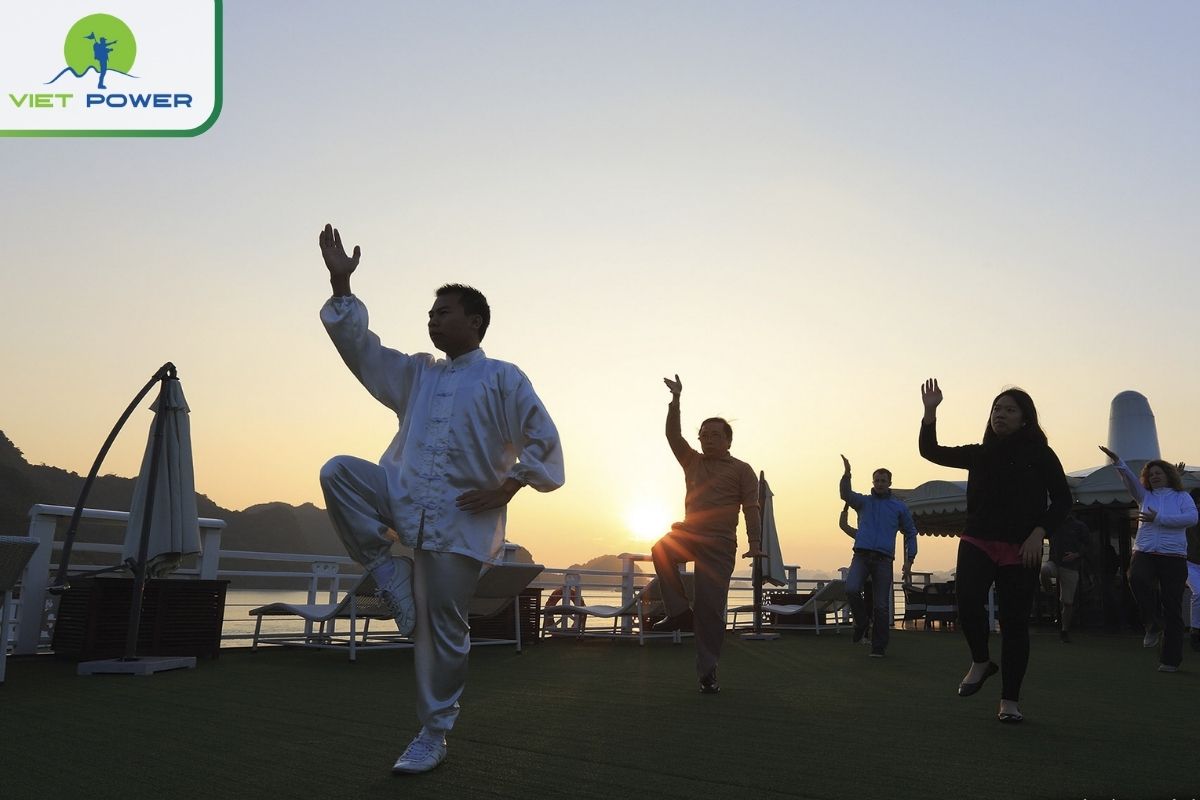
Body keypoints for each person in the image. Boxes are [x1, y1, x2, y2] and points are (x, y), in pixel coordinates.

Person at [316, 223, 565, 773]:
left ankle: (434, 731)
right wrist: (340, 285)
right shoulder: (418, 374)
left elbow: (545, 443)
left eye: (444, 311)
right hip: (400, 496)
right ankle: (387, 572)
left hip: (461, 523)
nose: (433, 320)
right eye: (430, 313)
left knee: (443, 629)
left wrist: (512, 482)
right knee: (338, 473)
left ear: (475, 321)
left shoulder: (504, 378)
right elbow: (362, 349)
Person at [919, 379, 1071, 723]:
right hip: (978, 540)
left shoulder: (1041, 455)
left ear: (1024, 418)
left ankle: (1010, 702)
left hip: (1022, 548)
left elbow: (1063, 500)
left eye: (1009, 409)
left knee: (1014, 624)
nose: (1000, 414)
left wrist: (1040, 532)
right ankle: (981, 660)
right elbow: (931, 451)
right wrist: (930, 412)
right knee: (968, 599)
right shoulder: (980, 453)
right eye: (996, 409)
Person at [650, 374, 761, 694]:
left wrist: (755, 544)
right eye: (704, 435)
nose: (708, 439)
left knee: (711, 611)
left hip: (721, 545)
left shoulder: (742, 470)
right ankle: (680, 611)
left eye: (715, 434)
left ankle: (707, 672)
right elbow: (673, 435)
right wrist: (676, 401)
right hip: (690, 535)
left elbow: (751, 508)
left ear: (728, 440)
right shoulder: (692, 461)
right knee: (661, 549)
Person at [1098, 446, 1196, 672]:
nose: (1154, 476)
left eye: (1158, 472)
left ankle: (1170, 659)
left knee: (1172, 607)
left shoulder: (1182, 497)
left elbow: (1191, 518)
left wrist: (1159, 518)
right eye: (1150, 474)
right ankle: (1151, 625)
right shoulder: (1145, 496)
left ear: (1169, 474)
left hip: (1173, 556)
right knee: (1136, 577)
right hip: (1145, 551)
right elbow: (1130, 481)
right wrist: (1118, 461)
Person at [839, 456, 917, 657]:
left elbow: (910, 532)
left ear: (890, 483)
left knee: (881, 606)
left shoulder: (899, 507)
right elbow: (845, 494)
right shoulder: (864, 502)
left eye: (883, 480)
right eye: (877, 480)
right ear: (873, 482)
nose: (880, 483)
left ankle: (878, 647)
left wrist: (909, 560)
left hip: (883, 560)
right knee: (851, 588)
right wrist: (847, 474)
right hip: (862, 556)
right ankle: (862, 623)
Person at [1040, 515, 1088, 643]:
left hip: (1071, 566)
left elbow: (1088, 545)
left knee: (1068, 602)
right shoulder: (1053, 524)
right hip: (1054, 562)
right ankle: (1050, 593)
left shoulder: (1079, 526)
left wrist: (1076, 554)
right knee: (1044, 571)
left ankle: (1064, 630)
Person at [838, 503, 874, 644]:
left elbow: (843, 526)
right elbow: (843, 525)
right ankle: (862, 630)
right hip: (863, 576)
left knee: (869, 605)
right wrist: (846, 508)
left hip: (871, 577)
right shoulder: (860, 534)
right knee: (861, 603)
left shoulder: (867, 534)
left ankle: (864, 633)